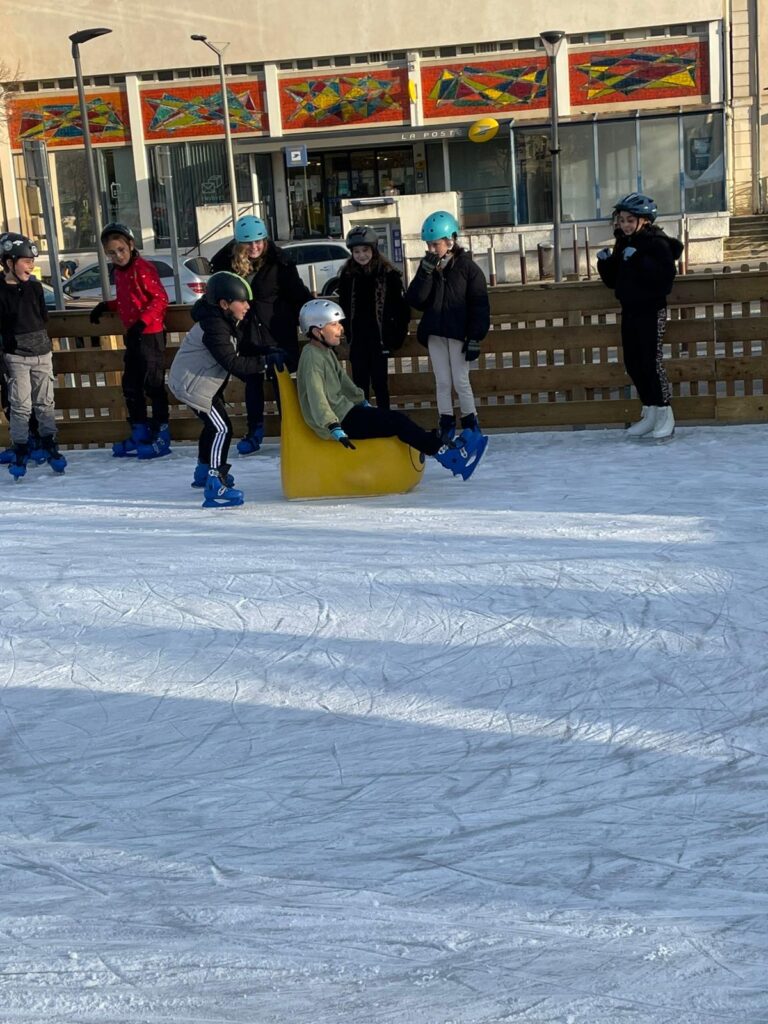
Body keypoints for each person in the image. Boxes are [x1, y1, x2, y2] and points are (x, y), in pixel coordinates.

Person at [296, 299, 487, 481]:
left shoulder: (324, 352)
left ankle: (441, 446)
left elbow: (345, 383)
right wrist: (333, 426)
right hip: (336, 422)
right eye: (334, 324)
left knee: (396, 419)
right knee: (396, 422)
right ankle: (449, 457)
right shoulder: (312, 358)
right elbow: (316, 396)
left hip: (345, 413)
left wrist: (361, 402)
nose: (341, 329)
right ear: (317, 331)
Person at [168, 271, 287, 508]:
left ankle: (204, 471)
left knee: (213, 426)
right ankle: (216, 483)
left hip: (196, 382)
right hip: (193, 386)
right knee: (221, 428)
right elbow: (233, 363)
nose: (247, 306)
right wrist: (265, 363)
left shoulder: (223, 320)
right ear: (224, 304)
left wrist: (266, 352)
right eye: (242, 301)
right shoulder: (215, 327)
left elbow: (240, 350)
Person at [210, 215, 311, 454]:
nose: (255, 247)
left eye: (259, 241)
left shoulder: (280, 263)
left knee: (281, 382)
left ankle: (291, 431)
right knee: (252, 381)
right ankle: (254, 432)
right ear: (239, 243)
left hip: (277, 331)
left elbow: (298, 295)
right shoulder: (226, 264)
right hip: (247, 333)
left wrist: (313, 319)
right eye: (248, 242)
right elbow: (216, 297)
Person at [596, 193, 684, 441]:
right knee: (633, 362)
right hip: (630, 309)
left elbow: (665, 280)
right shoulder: (623, 242)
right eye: (622, 220)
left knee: (651, 361)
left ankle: (665, 413)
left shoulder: (657, 242)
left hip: (651, 310)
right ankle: (650, 411)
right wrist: (605, 263)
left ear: (644, 221)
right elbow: (614, 281)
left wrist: (639, 260)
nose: (624, 225)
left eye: (630, 220)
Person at [406, 210, 491, 445]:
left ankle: (471, 422)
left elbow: (480, 305)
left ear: (450, 241)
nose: (431, 249)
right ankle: (446, 422)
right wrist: (424, 274)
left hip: (458, 334)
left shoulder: (468, 269)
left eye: (435, 244)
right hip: (435, 333)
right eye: (428, 245)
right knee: (442, 381)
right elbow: (416, 300)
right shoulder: (429, 268)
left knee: (460, 380)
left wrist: (475, 337)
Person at [89, 222, 172, 459]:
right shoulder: (120, 272)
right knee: (131, 385)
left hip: (150, 335)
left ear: (131, 246)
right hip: (134, 336)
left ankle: (161, 434)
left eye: (121, 250)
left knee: (152, 384)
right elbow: (128, 300)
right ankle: (140, 431)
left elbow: (160, 299)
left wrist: (142, 323)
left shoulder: (142, 268)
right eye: (111, 253)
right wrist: (106, 306)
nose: (117, 256)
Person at [0, 233, 66, 479]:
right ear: (9, 262)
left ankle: (49, 443)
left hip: (42, 354)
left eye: (32, 261)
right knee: (21, 406)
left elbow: (42, 317)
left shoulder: (35, 287)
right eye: (26, 261)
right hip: (16, 357)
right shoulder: (1, 291)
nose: (31, 266)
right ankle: (20, 446)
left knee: (45, 403)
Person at [336, 224, 409, 410]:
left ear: (374, 250)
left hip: (380, 339)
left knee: (380, 383)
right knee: (359, 385)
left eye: (365, 250)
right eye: (357, 251)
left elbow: (401, 309)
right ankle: (365, 420)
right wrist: (346, 331)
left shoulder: (388, 274)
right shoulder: (348, 276)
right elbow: (343, 306)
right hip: (358, 339)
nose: (361, 255)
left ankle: (384, 419)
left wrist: (396, 336)